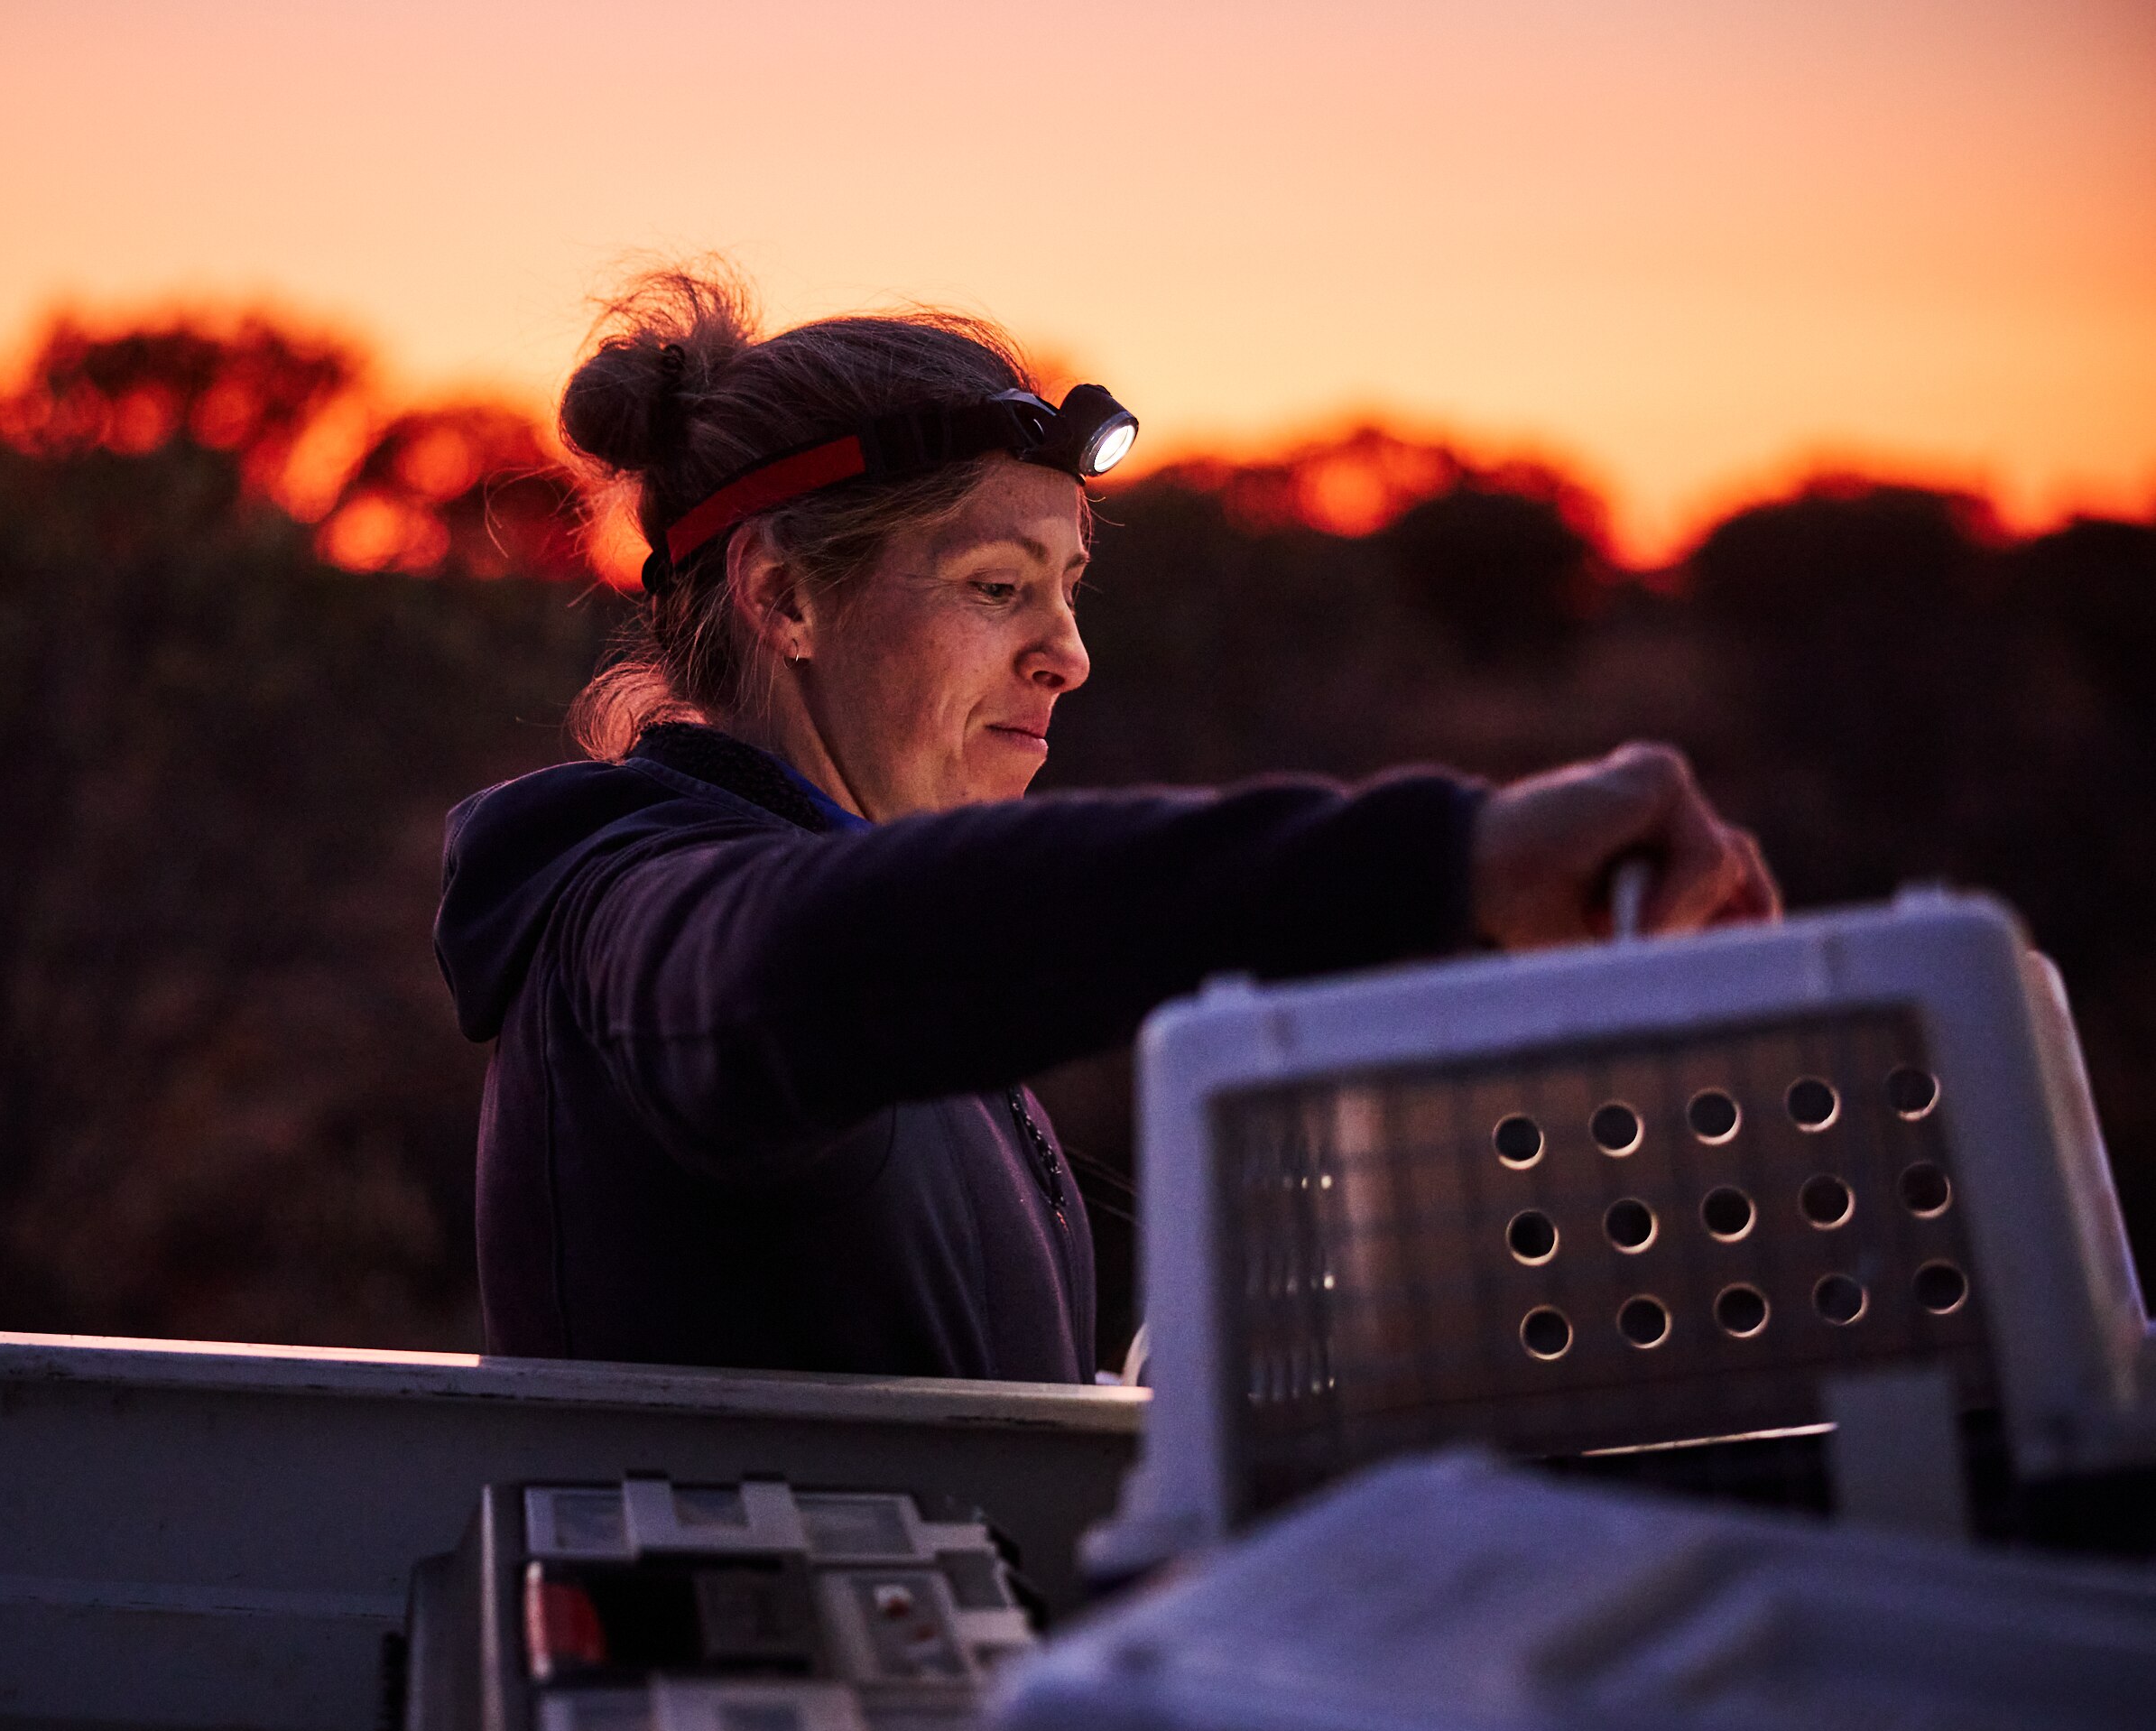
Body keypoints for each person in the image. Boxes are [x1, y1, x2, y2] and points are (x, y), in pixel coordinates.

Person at [433, 268, 1776, 1384]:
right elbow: (835, 951)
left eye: (1069, 588)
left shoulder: (861, 909)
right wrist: (1447, 861)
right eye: (998, 585)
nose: (1066, 653)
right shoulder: (640, 911)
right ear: (783, 600)